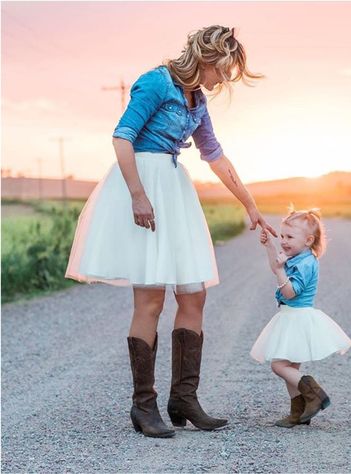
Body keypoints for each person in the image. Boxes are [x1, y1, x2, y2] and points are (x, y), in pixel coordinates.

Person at [65, 25, 276, 438]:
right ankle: (143, 406)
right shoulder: (156, 82)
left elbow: (215, 155)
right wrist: (137, 195)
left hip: (175, 188)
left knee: (194, 293)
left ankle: (183, 398)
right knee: (150, 299)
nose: (223, 80)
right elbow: (122, 138)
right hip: (143, 182)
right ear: (207, 57)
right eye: (224, 70)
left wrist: (249, 204)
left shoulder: (198, 99)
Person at [250, 208, 351, 428]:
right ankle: (298, 413)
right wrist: (269, 246)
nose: (284, 242)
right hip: (292, 317)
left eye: (289, 237)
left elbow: (290, 292)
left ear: (308, 240)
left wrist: (280, 271)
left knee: (278, 366)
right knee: (291, 368)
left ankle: (314, 393)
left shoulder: (305, 263)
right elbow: (275, 267)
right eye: (283, 236)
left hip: (296, 317)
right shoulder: (299, 257)